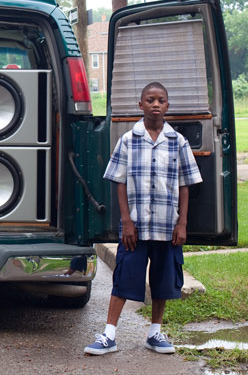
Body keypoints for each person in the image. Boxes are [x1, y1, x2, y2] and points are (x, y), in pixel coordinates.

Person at [83, 82, 202, 356]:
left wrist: (182, 222)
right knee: (125, 276)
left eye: (161, 100)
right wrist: (126, 221)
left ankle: (155, 333)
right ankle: (109, 335)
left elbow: (185, 185)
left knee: (162, 280)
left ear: (167, 106)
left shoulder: (178, 142)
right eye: (150, 100)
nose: (156, 104)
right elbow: (119, 182)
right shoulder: (128, 140)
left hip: (167, 226)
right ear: (141, 105)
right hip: (135, 227)